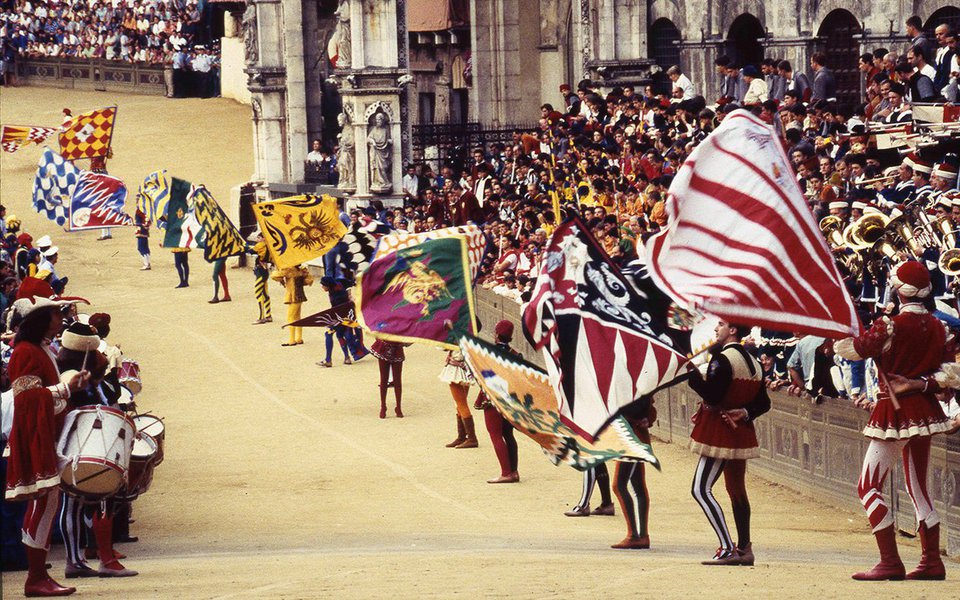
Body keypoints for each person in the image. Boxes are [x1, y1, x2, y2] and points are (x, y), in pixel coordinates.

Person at [835, 261, 952, 581]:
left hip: (895, 412)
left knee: (867, 485)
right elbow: (949, 375)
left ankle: (890, 561)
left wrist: (837, 329)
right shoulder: (939, 326)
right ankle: (931, 561)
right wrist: (920, 384)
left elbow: (853, 350)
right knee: (918, 489)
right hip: (925, 411)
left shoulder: (890, 324)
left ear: (900, 290)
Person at [5, 295, 89, 597]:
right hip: (35, 436)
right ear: (43, 318)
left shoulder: (38, 348)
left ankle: (38, 576)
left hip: (46, 433)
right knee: (42, 505)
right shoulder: (26, 351)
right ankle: (36, 577)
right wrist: (66, 387)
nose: (60, 318)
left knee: (47, 504)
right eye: (56, 313)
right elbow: (26, 399)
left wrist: (70, 386)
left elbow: (44, 394)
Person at [687, 319, 771, 566]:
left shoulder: (723, 360)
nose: (716, 329)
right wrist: (744, 412)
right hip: (740, 430)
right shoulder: (754, 362)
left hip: (719, 430)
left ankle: (727, 548)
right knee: (736, 490)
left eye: (721, 324)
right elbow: (764, 403)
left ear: (732, 330)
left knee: (700, 489)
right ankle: (745, 547)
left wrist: (691, 374)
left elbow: (712, 397)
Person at [477, 320, 520, 483]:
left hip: (493, 397)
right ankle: (514, 471)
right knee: (508, 434)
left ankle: (506, 472)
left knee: (495, 434)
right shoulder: (515, 353)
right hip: (509, 399)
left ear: (496, 334)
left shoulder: (489, 353)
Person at [611, 398, 657, 549]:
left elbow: (637, 406)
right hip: (634, 433)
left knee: (619, 485)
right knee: (637, 485)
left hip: (631, 435)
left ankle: (634, 535)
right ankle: (642, 535)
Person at [440, 349, 478, 448]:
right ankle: (462, 436)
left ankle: (471, 437)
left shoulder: (454, 334)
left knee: (461, 404)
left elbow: (443, 346)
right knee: (461, 403)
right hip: (466, 366)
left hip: (456, 367)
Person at [273, 264, 313, 346]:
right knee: (298, 317)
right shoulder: (301, 270)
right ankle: (299, 338)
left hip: (293, 296)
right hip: (300, 296)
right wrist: (306, 272)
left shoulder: (289, 270)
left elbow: (274, 276)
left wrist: (279, 269)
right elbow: (309, 281)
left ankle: (292, 339)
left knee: (290, 317)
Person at [370, 339, 408, 418]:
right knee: (384, 379)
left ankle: (397, 407)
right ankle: (384, 406)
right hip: (386, 348)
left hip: (393, 348)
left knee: (397, 381)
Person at [250, 232, 272, 324]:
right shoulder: (269, 245)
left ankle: (261, 317)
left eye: (259, 238)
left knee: (259, 293)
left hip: (260, 271)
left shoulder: (261, 245)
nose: (257, 240)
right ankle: (268, 315)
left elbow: (250, 251)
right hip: (265, 270)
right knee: (265, 293)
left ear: (263, 238)